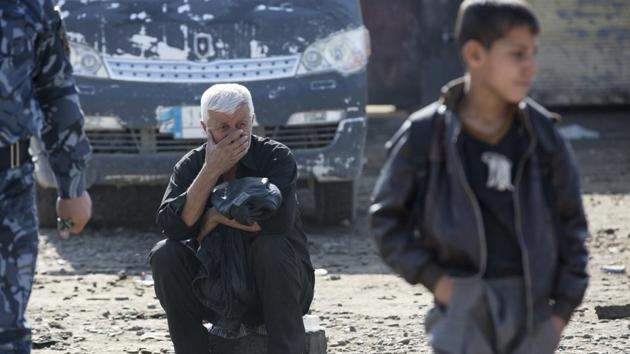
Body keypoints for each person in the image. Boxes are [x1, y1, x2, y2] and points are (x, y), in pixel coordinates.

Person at [369, 1, 589, 353]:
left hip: (533, 310)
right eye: (518, 54)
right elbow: (386, 219)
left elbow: (573, 227)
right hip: (461, 309)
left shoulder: (543, 136)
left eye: (534, 53)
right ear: (474, 54)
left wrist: (559, 316)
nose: (530, 66)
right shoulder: (427, 133)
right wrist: (438, 282)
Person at [150, 83, 315, 354]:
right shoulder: (191, 165)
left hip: (277, 290)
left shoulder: (275, 157)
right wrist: (211, 169)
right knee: (165, 254)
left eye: (241, 125)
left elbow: (275, 224)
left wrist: (214, 216)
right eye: (222, 128)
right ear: (205, 129)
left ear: (252, 121)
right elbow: (173, 227)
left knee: (270, 247)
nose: (234, 135)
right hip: (216, 289)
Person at [0, 1, 93, 352]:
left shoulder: (28, 5)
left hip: (7, 184)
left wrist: (72, 188)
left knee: (6, 330)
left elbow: (56, 93)